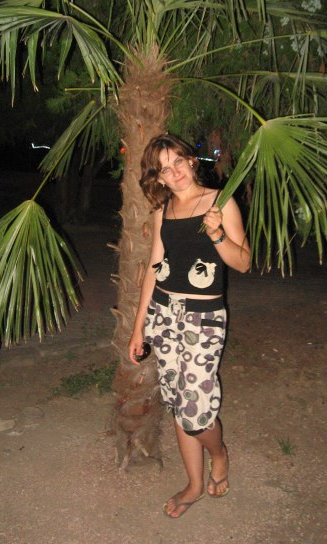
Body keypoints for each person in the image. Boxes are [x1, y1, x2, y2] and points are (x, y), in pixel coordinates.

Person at [128, 133, 250, 519]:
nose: (175, 172)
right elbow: (154, 269)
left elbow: (243, 262)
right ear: (158, 178)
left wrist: (216, 234)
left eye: (178, 161)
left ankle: (219, 452)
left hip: (204, 318)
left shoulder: (219, 202)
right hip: (164, 316)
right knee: (178, 404)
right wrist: (138, 328)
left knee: (195, 412)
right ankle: (194, 485)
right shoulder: (163, 212)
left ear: (192, 161)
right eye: (165, 169)